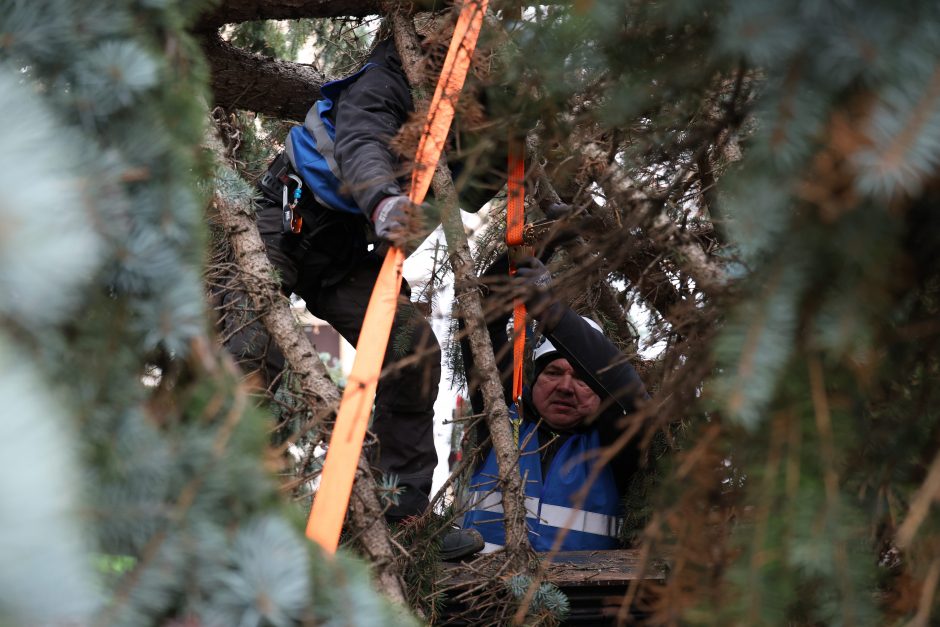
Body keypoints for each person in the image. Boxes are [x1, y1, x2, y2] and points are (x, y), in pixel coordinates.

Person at [223, 32, 501, 559]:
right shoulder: (388, 79)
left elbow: (476, 189)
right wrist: (384, 202)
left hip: (350, 253)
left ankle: (404, 513)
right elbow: (361, 144)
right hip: (286, 221)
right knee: (249, 347)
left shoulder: (469, 108)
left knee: (411, 350)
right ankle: (246, 509)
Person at [461, 255, 648, 552]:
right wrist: (530, 246)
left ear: (602, 392)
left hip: (582, 596)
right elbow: (477, 322)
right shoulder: (500, 421)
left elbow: (632, 395)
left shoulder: (616, 445)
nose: (564, 387)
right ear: (534, 380)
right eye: (554, 372)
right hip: (481, 591)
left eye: (581, 378)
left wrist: (550, 312)